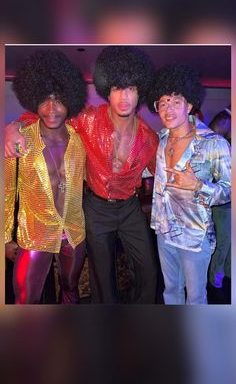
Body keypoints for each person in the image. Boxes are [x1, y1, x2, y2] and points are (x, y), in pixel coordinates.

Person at [5, 46, 158, 304]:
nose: (123, 96)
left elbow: (164, 177)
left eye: (130, 88)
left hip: (129, 207)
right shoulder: (87, 120)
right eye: (117, 88)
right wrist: (13, 126)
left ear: (139, 92)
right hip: (95, 208)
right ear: (106, 91)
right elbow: (46, 112)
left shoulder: (149, 139)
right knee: (101, 275)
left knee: (149, 270)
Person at [5, 49, 87, 304]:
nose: (51, 108)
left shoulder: (80, 140)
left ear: (70, 102)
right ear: (33, 101)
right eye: (44, 100)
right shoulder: (20, 141)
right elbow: (7, 194)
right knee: (26, 299)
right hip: (35, 235)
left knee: (71, 288)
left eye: (59, 100)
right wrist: (5, 238)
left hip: (73, 232)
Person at [147, 64, 231, 305]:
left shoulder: (214, 143)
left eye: (175, 101)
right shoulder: (161, 139)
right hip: (164, 231)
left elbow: (229, 189)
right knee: (171, 291)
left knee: (195, 297)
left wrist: (198, 186)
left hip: (195, 235)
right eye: (162, 103)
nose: (168, 109)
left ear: (190, 105)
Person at [208, 106, 231, 290]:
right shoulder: (217, 144)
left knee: (229, 241)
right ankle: (216, 276)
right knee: (223, 241)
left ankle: (227, 273)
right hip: (221, 202)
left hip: (228, 201)